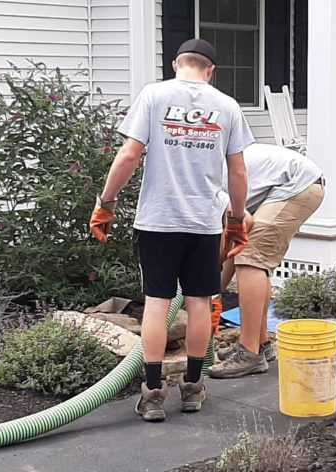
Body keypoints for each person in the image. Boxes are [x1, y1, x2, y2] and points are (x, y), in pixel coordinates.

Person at [90, 38, 253, 422]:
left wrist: (106, 202)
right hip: (203, 223)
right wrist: (236, 220)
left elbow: (129, 154)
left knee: (158, 304)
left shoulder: (154, 95)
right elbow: (239, 170)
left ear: (176, 64)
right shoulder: (227, 106)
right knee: (199, 301)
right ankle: (193, 388)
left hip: (159, 221)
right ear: (210, 71)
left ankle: (152, 394)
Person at [207, 143, 325, 379]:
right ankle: (261, 343)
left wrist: (207, 286)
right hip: (301, 182)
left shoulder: (207, 184)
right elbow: (233, 239)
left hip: (296, 185)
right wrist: (213, 286)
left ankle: (250, 353)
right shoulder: (210, 170)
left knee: (250, 261)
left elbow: (244, 223)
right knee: (249, 256)